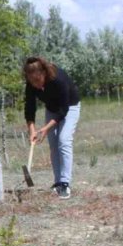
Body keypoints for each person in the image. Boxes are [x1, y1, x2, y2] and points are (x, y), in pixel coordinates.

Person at [23, 57, 81, 199]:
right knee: (54, 145)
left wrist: (45, 128)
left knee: (64, 140)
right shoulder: (31, 84)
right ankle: (57, 183)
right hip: (51, 109)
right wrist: (32, 130)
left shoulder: (58, 79)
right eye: (31, 81)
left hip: (69, 107)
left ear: (44, 73)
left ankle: (65, 184)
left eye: (37, 80)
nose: (35, 85)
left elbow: (63, 110)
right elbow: (29, 107)